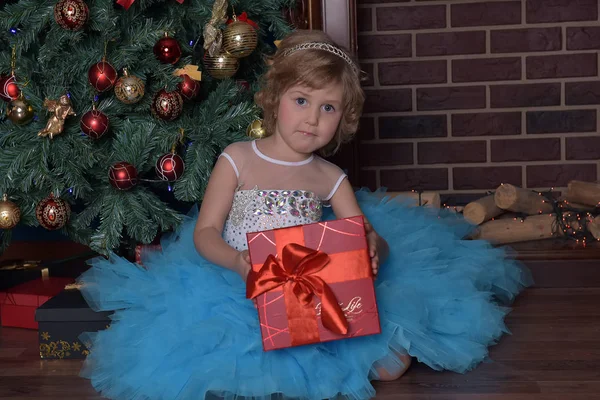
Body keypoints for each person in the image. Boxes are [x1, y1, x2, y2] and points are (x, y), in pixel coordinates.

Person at [77, 30, 532, 400]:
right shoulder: (238, 158)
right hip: (237, 282)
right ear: (275, 99)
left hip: (314, 288)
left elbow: (366, 235)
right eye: (302, 100)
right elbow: (207, 233)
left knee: (392, 367)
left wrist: (373, 248)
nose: (312, 118)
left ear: (343, 118)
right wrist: (238, 262)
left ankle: (326, 354)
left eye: (328, 108)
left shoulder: (329, 177)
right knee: (227, 359)